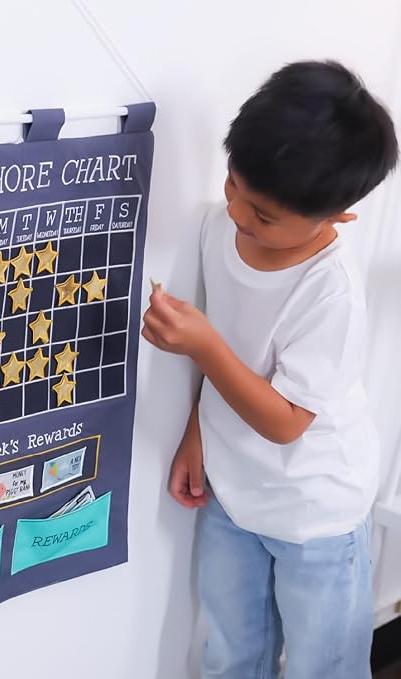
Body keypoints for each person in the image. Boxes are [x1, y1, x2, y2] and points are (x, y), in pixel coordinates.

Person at [141, 60, 398, 679]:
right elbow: (239, 347)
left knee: (323, 665)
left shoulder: (330, 292)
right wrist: (197, 434)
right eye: (232, 185)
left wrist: (202, 346)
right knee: (231, 653)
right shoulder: (217, 227)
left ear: (338, 216)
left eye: (262, 215)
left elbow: (286, 422)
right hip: (234, 494)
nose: (237, 212)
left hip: (316, 511)